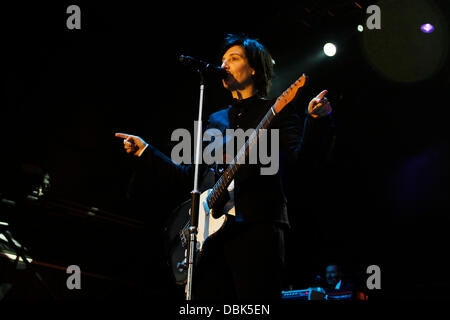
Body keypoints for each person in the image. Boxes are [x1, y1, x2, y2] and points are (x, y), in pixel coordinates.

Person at [115, 34, 333, 300]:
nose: (225, 64)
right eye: (222, 60)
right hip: (211, 237)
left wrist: (315, 121)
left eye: (234, 58)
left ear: (253, 68)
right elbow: (194, 177)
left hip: (257, 227)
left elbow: (304, 163)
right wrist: (147, 151)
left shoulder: (278, 110)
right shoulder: (216, 119)